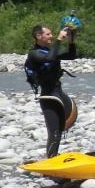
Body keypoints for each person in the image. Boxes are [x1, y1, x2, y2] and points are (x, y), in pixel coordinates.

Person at [25, 22, 79, 159]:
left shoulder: (50, 51)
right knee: (54, 132)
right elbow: (49, 59)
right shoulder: (34, 54)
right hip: (48, 97)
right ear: (38, 36)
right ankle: (51, 158)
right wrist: (59, 39)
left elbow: (72, 55)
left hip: (58, 93)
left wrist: (72, 38)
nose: (51, 36)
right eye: (48, 34)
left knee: (59, 130)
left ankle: (54, 156)